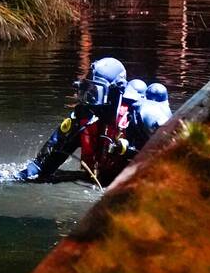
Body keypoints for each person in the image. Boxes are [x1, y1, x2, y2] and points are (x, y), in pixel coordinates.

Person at [18, 58, 171, 183]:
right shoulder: (84, 117)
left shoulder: (139, 115)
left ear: (113, 92)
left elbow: (173, 154)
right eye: (87, 90)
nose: (90, 99)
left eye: (95, 92)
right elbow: (45, 161)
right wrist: (23, 176)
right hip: (99, 180)